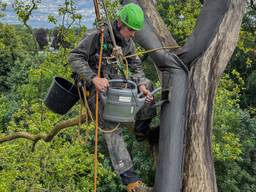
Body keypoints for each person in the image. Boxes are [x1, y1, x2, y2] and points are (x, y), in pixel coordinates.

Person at [69, 3, 155, 192]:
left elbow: (136, 65)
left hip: (114, 82)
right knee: (110, 126)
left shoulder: (127, 42)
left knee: (149, 87)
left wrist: (140, 82)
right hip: (93, 88)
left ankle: (141, 130)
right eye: (130, 30)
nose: (132, 34)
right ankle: (132, 183)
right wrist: (93, 78)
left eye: (134, 31)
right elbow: (74, 57)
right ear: (118, 23)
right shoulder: (97, 35)